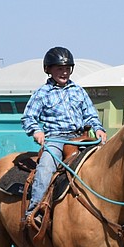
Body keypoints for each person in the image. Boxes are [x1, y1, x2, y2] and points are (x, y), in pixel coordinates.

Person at [21, 47, 106, 226]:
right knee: (45, 168)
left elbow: (90, 114)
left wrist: (98, 128)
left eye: (67, 68)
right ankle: (34, 210)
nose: (64, 72)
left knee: (108, 163)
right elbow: (28, 117)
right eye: (59, 68)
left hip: (81, 137)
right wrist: (36, 131)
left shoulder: (78, 90)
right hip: (56, 139)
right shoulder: (42, 93)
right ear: (48, 70)